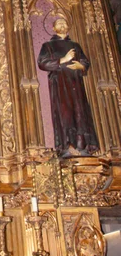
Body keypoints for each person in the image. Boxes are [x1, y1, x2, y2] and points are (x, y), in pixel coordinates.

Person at [37, 17, 99, 157]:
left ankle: (82, 145)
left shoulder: (75, 45)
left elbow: (84, 61)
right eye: (59, 23)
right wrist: (62, 60)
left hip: (76, 83)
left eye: (64, 22)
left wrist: (80, 66)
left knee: (80, 112)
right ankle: (67, 146)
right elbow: (42, 63)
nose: (62, 24)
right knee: (65, 112)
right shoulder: (48, 46)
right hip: (60, 83)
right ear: (53, 28)